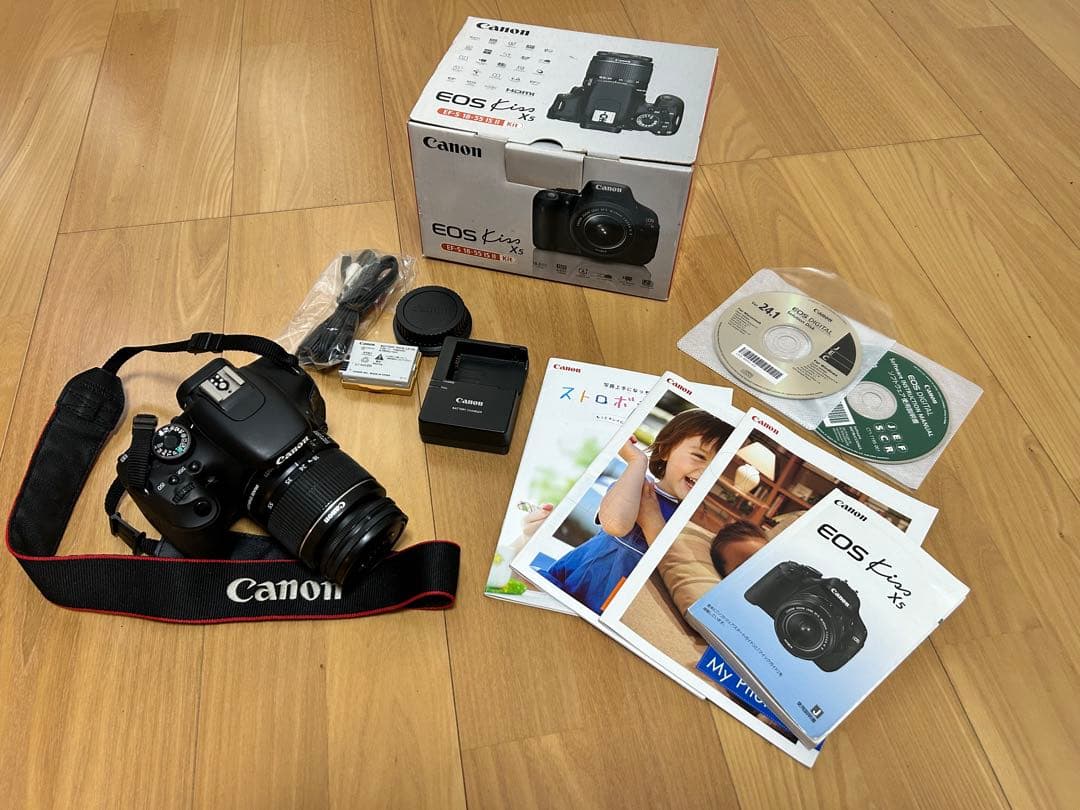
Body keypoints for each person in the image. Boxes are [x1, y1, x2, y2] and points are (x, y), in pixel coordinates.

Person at [540, 409, 732, 613]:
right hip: (571, 580)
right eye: (699, 456)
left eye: (719, 468)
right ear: (665, 451)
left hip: (613, 607)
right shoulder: (638, 486)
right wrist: (636, 461)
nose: (707, 471)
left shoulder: (694, 523)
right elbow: (615, 524)